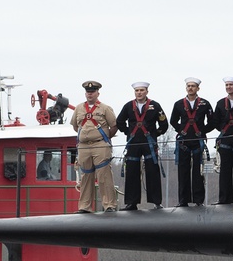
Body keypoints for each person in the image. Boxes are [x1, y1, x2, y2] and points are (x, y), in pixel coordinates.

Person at [116, 81, 169, 209]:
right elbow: (120, 121)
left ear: (146, 92)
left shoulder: (155, 106)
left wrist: (155, 134)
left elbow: (164, 124)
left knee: (153, 171)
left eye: (141, 90)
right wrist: (128, 132)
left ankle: (156, 201)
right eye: (137, 91)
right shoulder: (128, 106)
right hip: (133, 144)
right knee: (132, 172)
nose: (139, 93)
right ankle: (131, 202)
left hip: (149, 143)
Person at [70, 80, 118, 213]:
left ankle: (109, 205)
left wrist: (105, 138)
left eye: (92, 92)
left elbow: (114, 125)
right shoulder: (79, 108)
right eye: (88, 92)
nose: (89, 94)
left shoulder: (105, 108)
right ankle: (84, 207)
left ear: (98, 93)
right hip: (84, 146)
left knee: (104, 175)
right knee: (86, 177)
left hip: (100, 145)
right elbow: (75, 126)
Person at [169, 78, 213, 206]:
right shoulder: (178, 104)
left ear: (198, 88)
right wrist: (181, 131)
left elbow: (212, 121)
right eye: (188, 86)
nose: (190, 88)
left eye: (193, 86)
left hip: (198, 141)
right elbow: (173, 121)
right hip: (184, 142)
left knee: (198, 171)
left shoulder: (205, 104)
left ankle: (199, 200)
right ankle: (183, 200)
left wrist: (203, 131)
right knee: (183, 171)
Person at [211, 77, 233, 205]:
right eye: (227, 85)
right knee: (225, 171)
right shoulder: (221, 103)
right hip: (225, 139)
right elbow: (215, 121)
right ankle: (224, 199)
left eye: (231, 85)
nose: (228, 87)